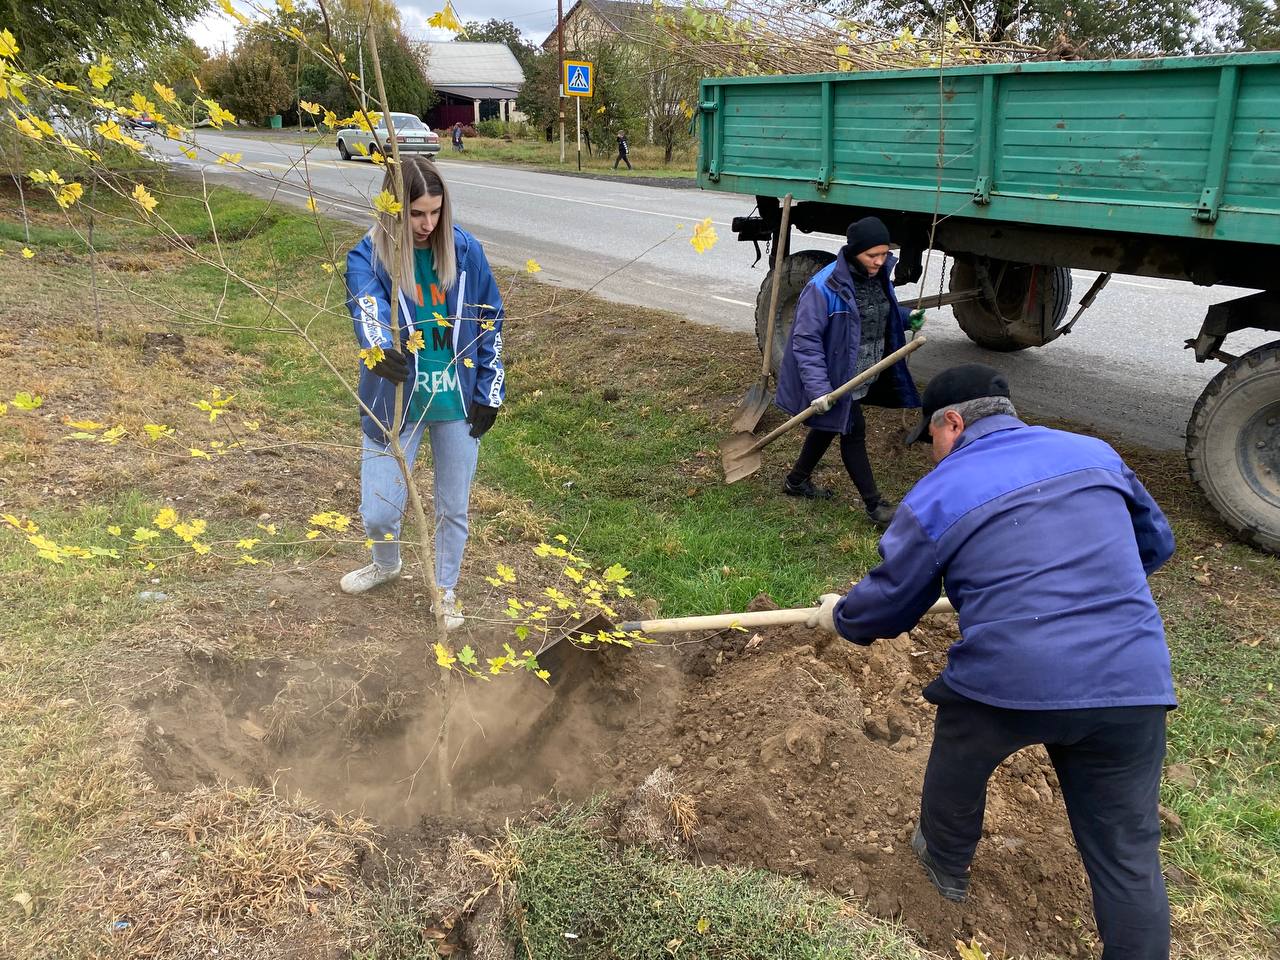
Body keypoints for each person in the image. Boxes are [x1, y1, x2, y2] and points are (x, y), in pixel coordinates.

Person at [810, 364, 1176, 960]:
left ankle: (944, 864)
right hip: (1130, 679)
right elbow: (1154, 546)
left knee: (961, 750)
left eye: (931, 441)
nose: (933, 456)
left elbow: (889, 608)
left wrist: (840, 616)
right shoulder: (1095, 454)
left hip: (1012, 676)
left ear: (952, 422)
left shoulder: (941, 492)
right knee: (1127, 854)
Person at [342, 157, 505, 629]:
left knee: (453, 508)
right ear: (394, 209)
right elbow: (366, 303)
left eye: (435, 212)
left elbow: (489, 319)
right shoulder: (369, 255)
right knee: (379, 510)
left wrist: (491, 391)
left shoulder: (464, 251)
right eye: (415, 213)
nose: (427, 224)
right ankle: (387, 562)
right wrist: (378, 348)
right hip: (396, 404)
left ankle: (444, 590)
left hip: (456, 402)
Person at [774, 216, 921, 526]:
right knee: (853, 430)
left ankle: (796, 481)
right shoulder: (824, 286)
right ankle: (875, 506)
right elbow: (805, 341)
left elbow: (877, 309)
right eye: (873, 255)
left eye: (884, 253)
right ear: (854, 251)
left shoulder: (878, 275)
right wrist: (819, 390)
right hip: (834, 376)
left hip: (863, 371)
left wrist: (908, 317)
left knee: (831, 425)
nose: (880, 261)